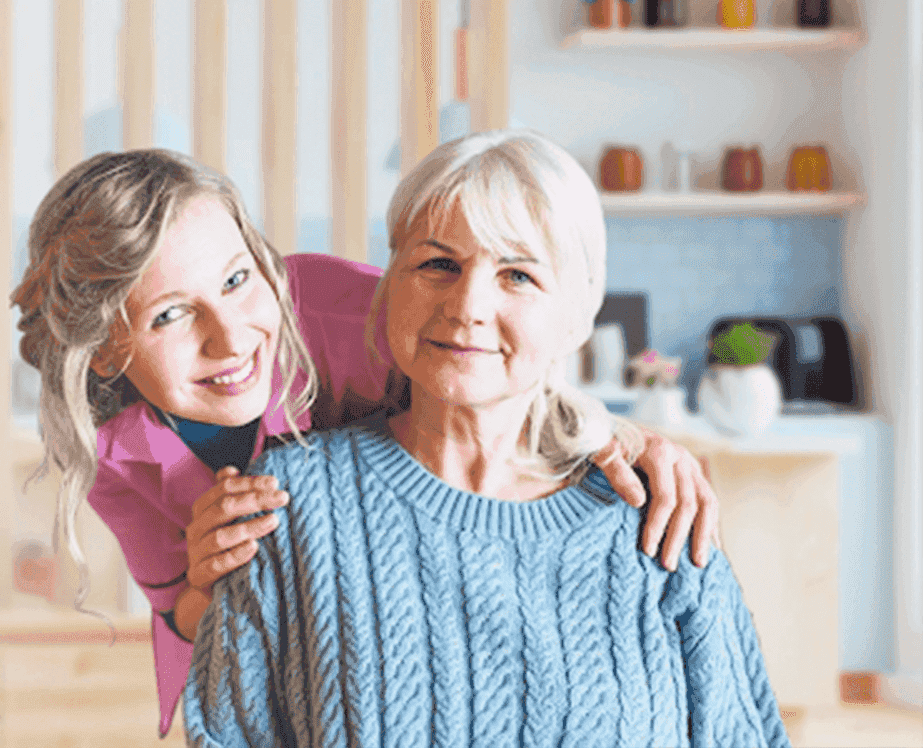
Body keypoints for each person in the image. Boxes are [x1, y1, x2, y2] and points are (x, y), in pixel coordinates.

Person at [10, 148, 723, 737]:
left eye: (237, 280)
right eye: (169, 315)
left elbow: (499, 355)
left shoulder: (342, 305)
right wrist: (206, 576)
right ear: (104, 351)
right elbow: (181, 616)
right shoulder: (110, 452)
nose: (229, 339)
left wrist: (622, 436)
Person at [183, 130, 790, 747]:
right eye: (438, 264)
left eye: (518, 275)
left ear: (576, 313)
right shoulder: (289, 505)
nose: (467, 303)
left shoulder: (655, 516)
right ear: (390, 283)